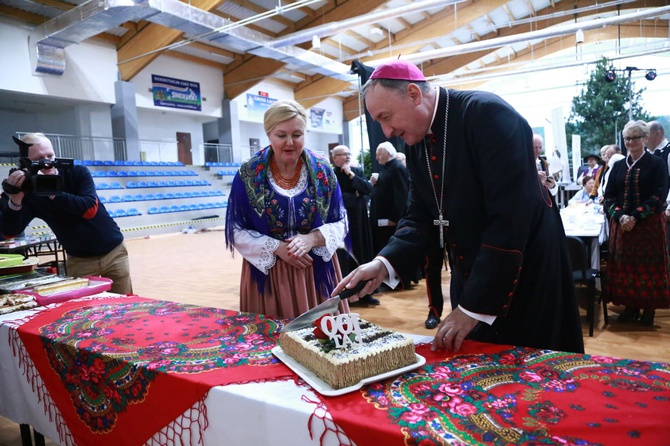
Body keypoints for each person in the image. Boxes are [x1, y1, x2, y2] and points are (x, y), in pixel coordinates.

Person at [332, 59, 583, 354]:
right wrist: (383, 263)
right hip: (475, 271)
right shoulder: (416, 142)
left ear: (414, 94)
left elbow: (511, 219)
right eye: (379, 123)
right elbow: (421, 214)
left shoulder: (488, 114)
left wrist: (474, 307)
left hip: (524, 270)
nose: (386, 132)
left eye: (386, 117)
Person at [225, 100, 350, 319]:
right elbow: (235, 229)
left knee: (323, 342)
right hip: (269, 274)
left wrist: (312, 239)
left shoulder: (323, 171)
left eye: (297, 135)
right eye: (281, 135)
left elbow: (342, 221)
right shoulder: (249, 174)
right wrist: (276, 248)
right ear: (269, 135)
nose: (290, 142)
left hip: (315, 271)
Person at [0, 133, 132, 294]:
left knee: (124, 308)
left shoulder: (76, 172)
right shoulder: (29, 191)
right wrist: (15, 201)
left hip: (114, 252)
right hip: (79, 259)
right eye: (39, 158)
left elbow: (89, 210)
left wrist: (50, 190)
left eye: (50, 155)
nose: (47, 162)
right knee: (83, 310)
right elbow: (8, 233)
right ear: (25, 164)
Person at [603, 120, 670, 326]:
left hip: (648, 227)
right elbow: (609, 196)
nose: (631, 142)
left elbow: (660, 195)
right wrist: (621, 216)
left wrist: (636, 216)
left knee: (648, 267)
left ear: (645, 139)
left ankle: (648, 312)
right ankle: (630, 308)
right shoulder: (618, 166)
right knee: (626, 267)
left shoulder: (656, 164)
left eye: (636, 138)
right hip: (623, 227)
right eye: (627, 138)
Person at [331, 145, 379, 306]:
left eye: (348, 153)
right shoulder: (332, 174)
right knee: (346, 259)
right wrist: (356, 196)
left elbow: (367, 189)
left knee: (363, 256)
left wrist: (351, 175)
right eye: (342, 154)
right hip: (343, 224)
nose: (347, 157)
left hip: (360, 222)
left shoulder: (355, 172)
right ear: (334, 158)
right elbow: (335, 198)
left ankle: (365, 294)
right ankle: (347, 296)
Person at [369, 141, 409, 254]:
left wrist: (394, 218)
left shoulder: (397, 168)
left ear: (388, 153)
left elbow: (401, 195)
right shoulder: (388, 168)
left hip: (390, 221)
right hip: (382, 221)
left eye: (379, 154)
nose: (376, 158)